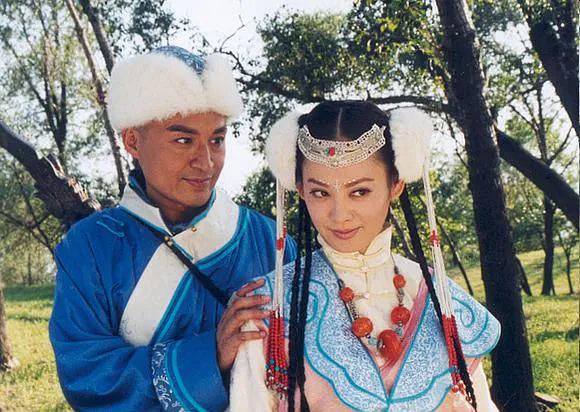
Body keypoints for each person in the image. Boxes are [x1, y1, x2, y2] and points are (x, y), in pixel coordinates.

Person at [49, 46, 295, 411]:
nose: (206, 162)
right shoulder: (89, 247)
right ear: (132, 141)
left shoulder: (268, 239)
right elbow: (87, 377)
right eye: (183, 140)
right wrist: (209, 355)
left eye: (217, 140)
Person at [229, 101, 500, 411]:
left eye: (359, 191)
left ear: (395, 185)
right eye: (320, 192)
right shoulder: (271, 306)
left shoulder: (439, 297)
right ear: (301, 190)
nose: (340, 214)